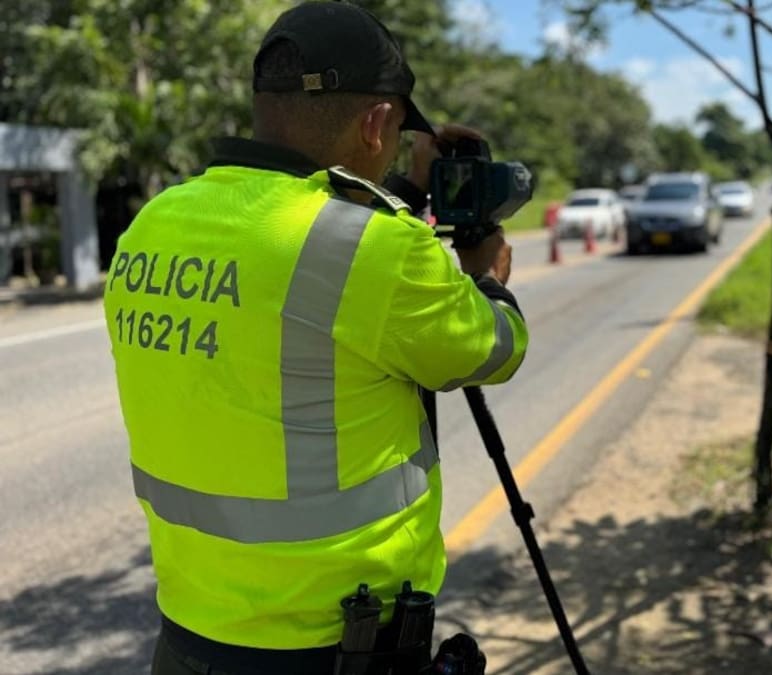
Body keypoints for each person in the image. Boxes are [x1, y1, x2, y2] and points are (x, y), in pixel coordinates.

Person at [102, 2, 528, 673]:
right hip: (332, 646)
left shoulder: (152, 225)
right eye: (396, 134)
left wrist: (406, 191)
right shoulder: (379, 252)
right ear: (377, 122)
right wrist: (489, 279)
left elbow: (305, 272)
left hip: (186, 635)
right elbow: (495, 348)